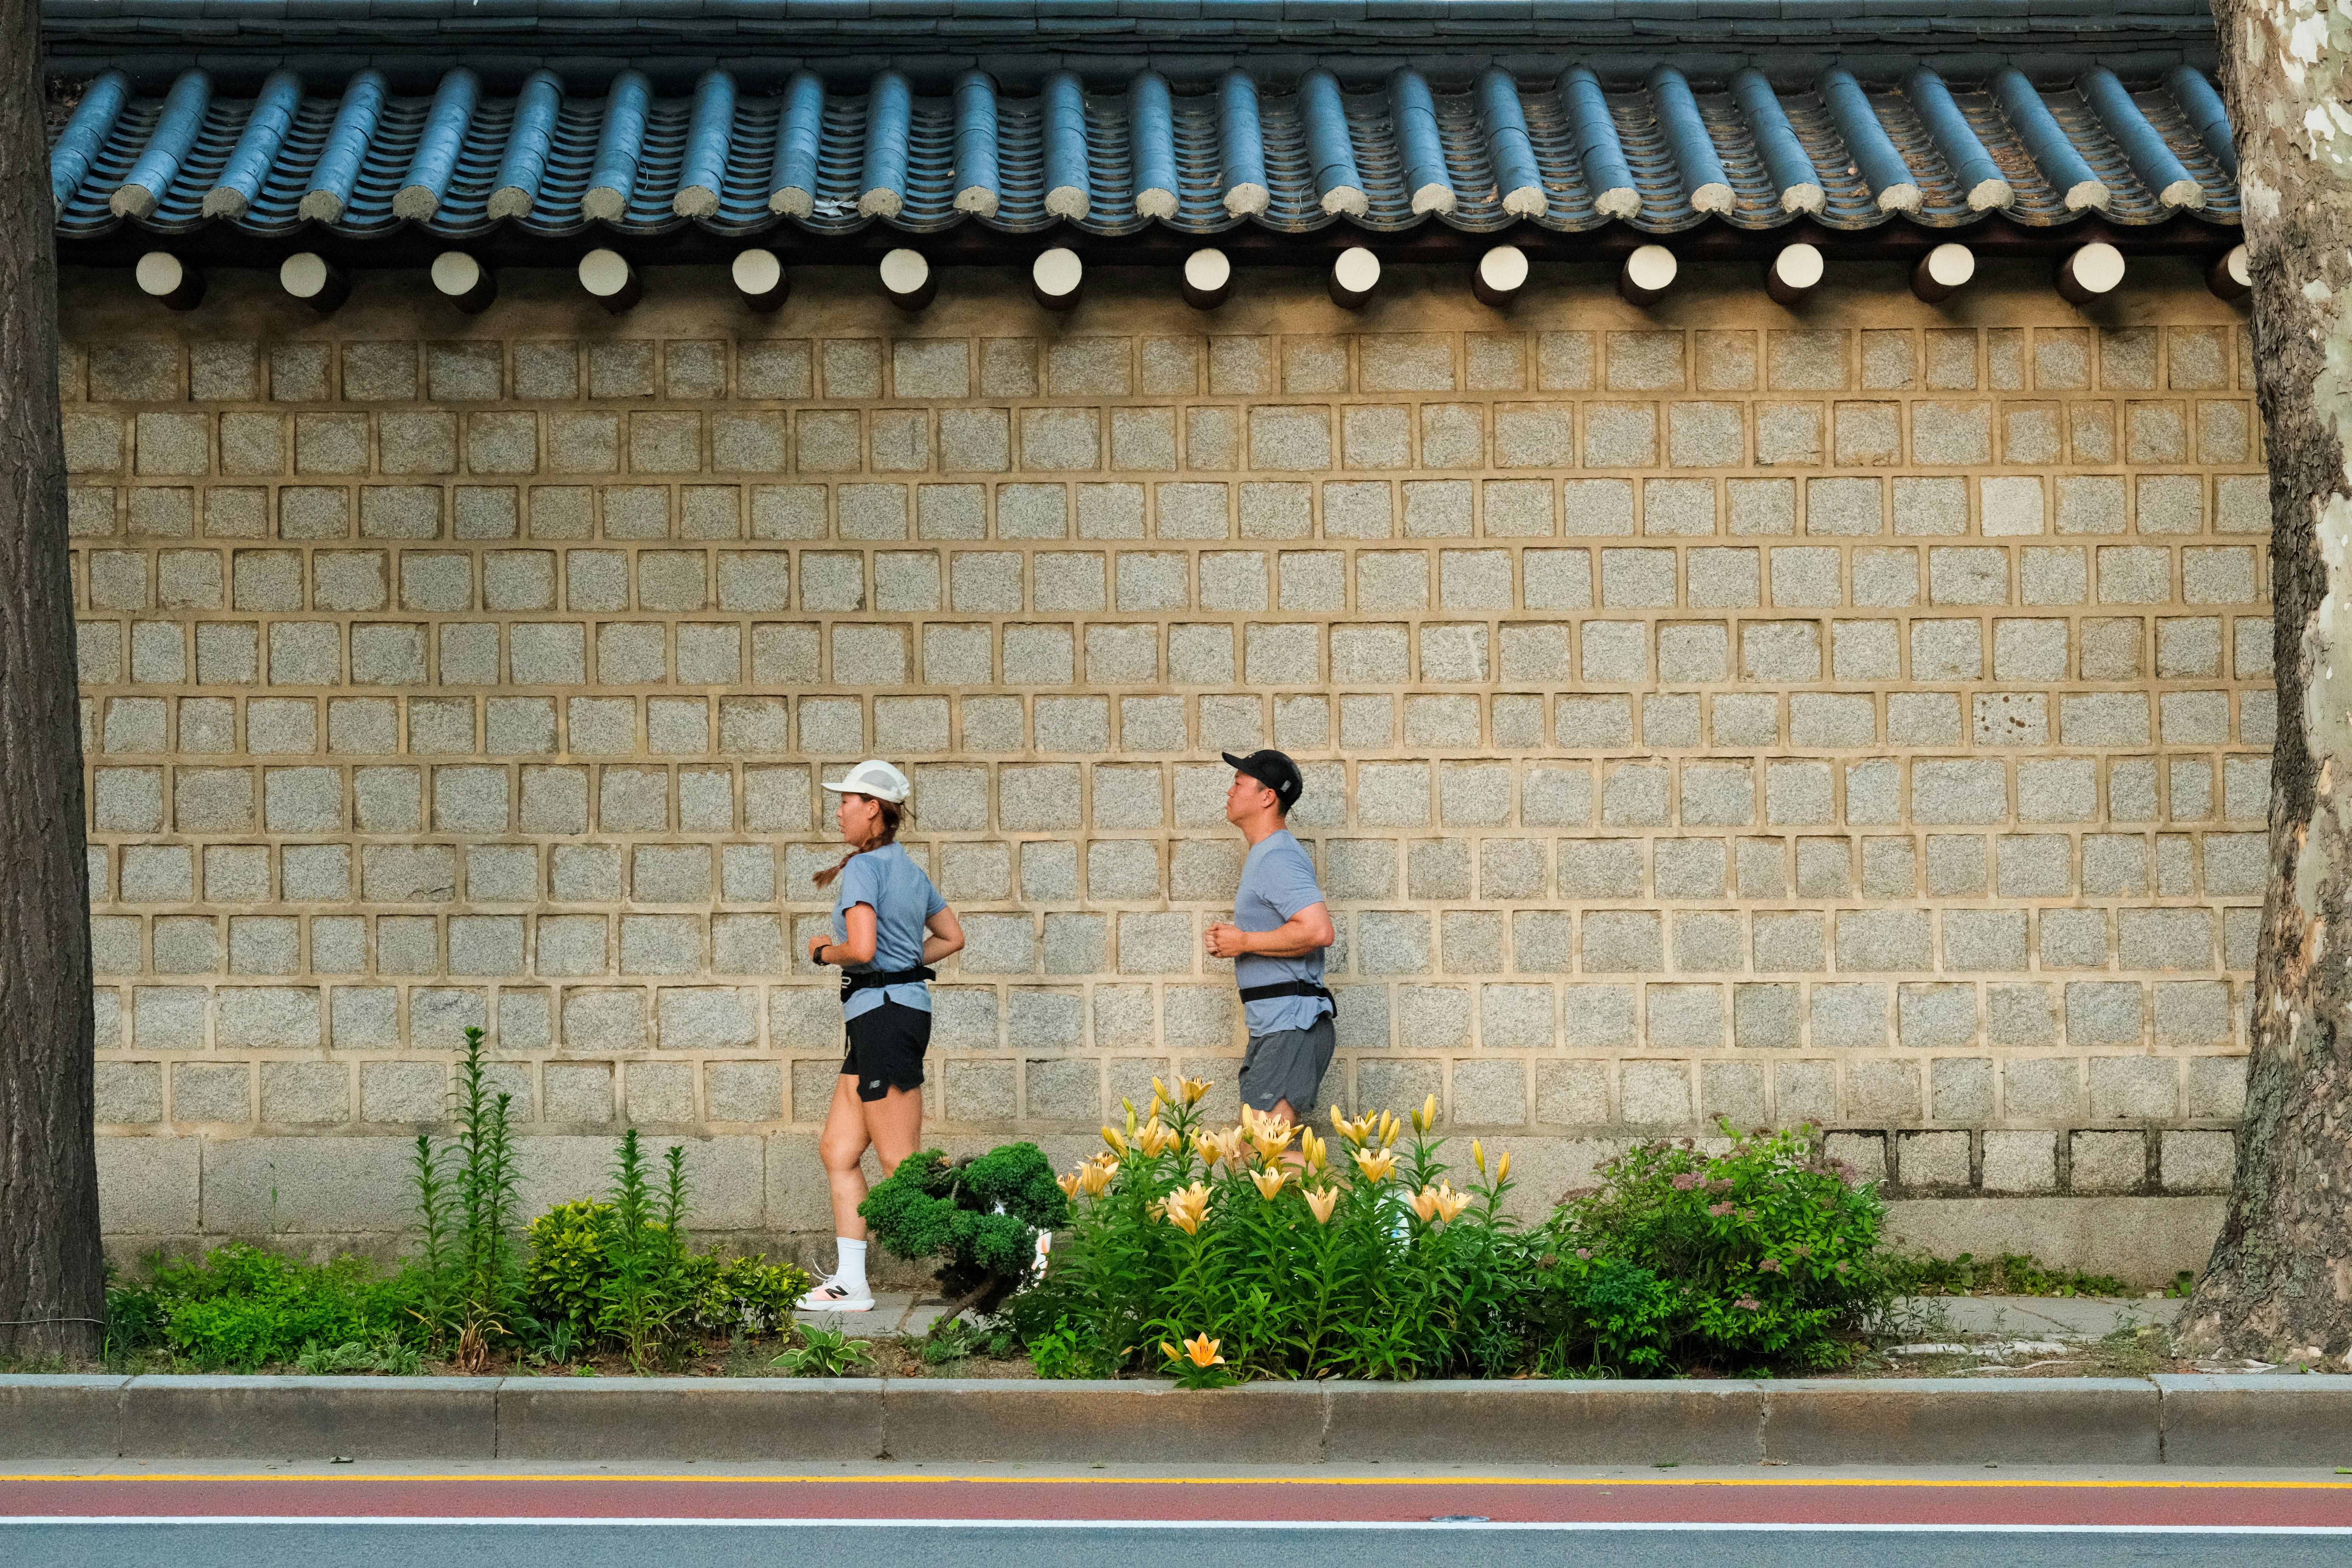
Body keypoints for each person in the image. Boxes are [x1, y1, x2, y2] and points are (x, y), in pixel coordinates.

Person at [798, 758, 963, 1312]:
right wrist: (904, 962)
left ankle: (1007, 1230)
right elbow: (952, 937)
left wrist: (825, 951)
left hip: (884, 1016)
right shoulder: (911, 871)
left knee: (902, 1166)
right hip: (886, 1017)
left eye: (847, 800)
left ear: (873, 809)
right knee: (839, 1150)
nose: (839, 810)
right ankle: (851, 1283)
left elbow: (861, 950)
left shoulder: (865, 869)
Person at [1204, 749, 1337, 1133]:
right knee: (1259, 1153)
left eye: (1239, 782)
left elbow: (1318, 931)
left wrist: (1244, 940)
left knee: (1264, 1152)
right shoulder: (1266, 855)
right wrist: (1236, 941)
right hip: (1276, 1024)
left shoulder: (1277, 855)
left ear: (1267, 797)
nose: (1230, 791)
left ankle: (1381, 1197)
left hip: (1289, 1023)